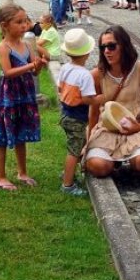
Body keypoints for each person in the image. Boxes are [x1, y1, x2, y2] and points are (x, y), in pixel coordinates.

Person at [84, 26, 140, 178]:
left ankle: (134, 159)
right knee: (98, 167)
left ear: (124, 46)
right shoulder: (97, 74)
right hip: (107, 129)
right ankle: (112, 161)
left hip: (137, 126)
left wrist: (139, 126)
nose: (107, 51)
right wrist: (89, 139)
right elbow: (93, 111)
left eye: (112, 46)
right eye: (103, 47)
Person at [0, 4, 46, 191]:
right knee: (3, 136)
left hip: (25, 94)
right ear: (5, 25)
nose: (24, 25)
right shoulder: (3, 47)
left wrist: (38, 64)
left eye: (25, 21)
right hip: (9, 95)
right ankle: (1, 176)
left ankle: (22, 172)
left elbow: (36, 73)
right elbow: (8, 72)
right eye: (19, 22)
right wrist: (30, 67)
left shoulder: (26, 45)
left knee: (21, 133)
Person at [58, 28, 98, 197]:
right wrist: (104, 98)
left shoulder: (66, 68)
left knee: (75, 145)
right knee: (74, 151)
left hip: (65, 114)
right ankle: (67, 185)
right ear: (87, 54)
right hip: (77, 118)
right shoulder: (85, 75)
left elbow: (60, 87)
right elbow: (89, 99)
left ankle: (68, 172)